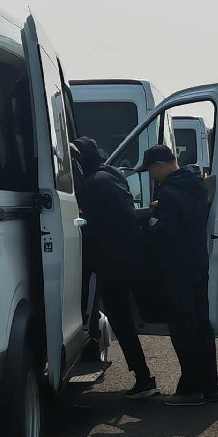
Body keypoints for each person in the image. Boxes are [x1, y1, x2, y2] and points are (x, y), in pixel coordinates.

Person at [71, 136, 157, 398]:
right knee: (120, 316)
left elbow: (83, 222)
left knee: (120, 319)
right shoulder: (114, 174)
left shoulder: (90, 185)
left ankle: (144, 379)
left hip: (112, 261)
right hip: (131, 255)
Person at [141, 143, 218, 406]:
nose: (151, 175)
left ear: (161, 165)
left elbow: (166, 234)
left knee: (183, 328)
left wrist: (153, 222)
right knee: (201, 325)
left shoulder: (171, 192)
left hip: (177, 268)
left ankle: (190, 390)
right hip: (198, 263)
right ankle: (210, 388)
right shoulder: (196, 183)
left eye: (151, 170)